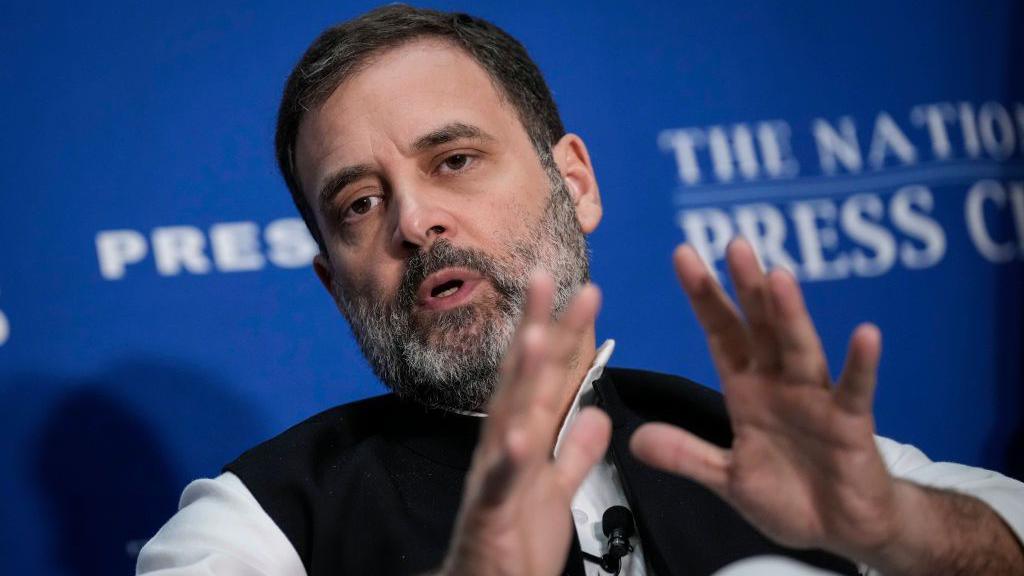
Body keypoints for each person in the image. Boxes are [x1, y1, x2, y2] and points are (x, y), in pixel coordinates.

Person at [137, 5, 1024, 575]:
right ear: (335, 284)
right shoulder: (257, 524)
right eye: (360, 202)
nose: (414, 220)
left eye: (454, 159)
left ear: (576, 183)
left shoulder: (766, 449)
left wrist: (901, 529)